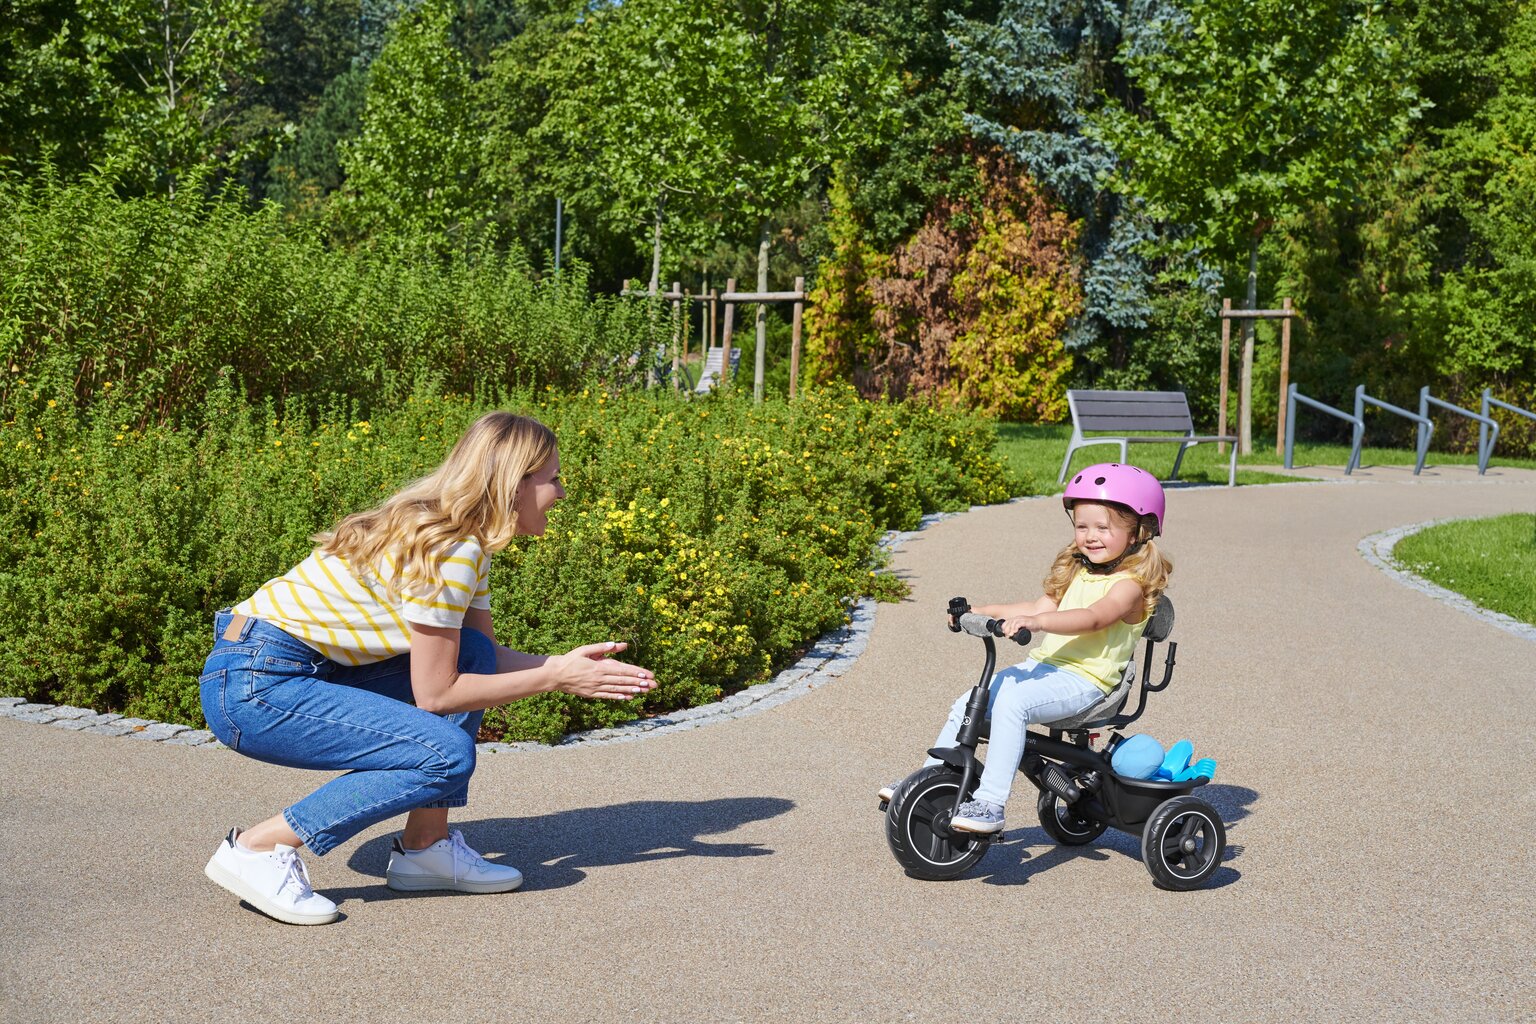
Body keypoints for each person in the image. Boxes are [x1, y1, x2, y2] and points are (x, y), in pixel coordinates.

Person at [198, 411, 656, 925]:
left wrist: (564, 666)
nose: (562, 493)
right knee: (446, 756)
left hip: (285, 669)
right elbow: (438, 694)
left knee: (472, 657)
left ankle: (426, 847)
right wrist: (555, 678)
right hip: (257, 687)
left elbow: (478, 658)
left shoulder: (463, 540)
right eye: (553, 479)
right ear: (515, 483)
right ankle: (258, 848)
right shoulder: (452, 550)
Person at [880, 462, 1172, 834]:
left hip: (1089, 683)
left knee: (1012, 702)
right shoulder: (1080, 572)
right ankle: (929, 782)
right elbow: (1034, 608)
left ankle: (989, 802)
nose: (1090, 535)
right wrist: (977, 612)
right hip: (1048, 671)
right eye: (1082, 526)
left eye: (1104, 527)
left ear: (1138, 532)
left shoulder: (1130, 585)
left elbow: (1095, 617)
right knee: (971, 700)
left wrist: (1038, 624)